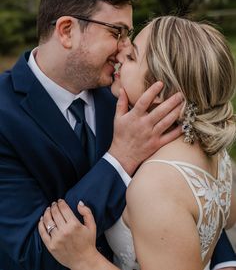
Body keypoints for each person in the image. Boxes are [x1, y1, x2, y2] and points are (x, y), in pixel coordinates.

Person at [0, 0, 186, 269]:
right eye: (117, 33)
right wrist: (120, 158)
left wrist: (223, 260)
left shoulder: (123, 91)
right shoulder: (3, 116)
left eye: (129, 34)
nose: (126, 49)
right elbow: (33, 252)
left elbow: (186, 181)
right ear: (67, 31)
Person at [39, 16, 236, 270]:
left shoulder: (155, 186)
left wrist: (87, 260)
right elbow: (224, 222)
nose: (120, 54)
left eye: (132, 57)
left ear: (163, 92)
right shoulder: (213, 150)